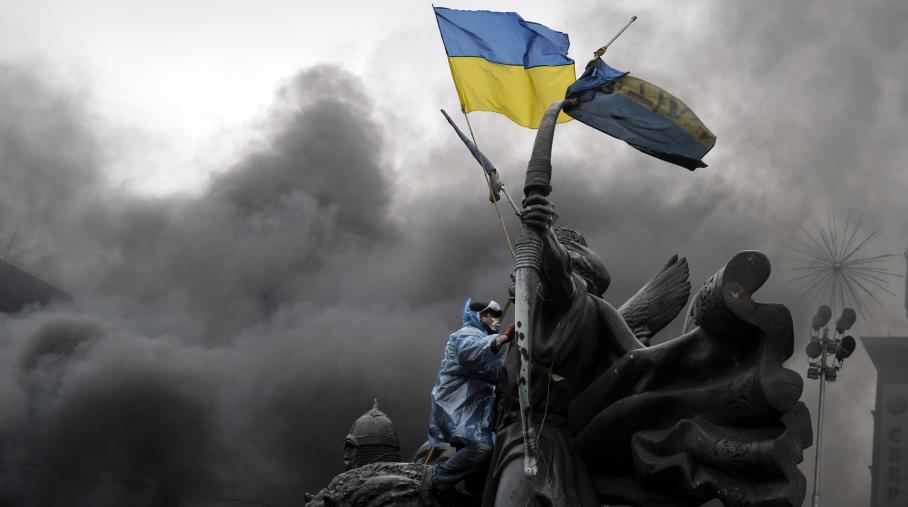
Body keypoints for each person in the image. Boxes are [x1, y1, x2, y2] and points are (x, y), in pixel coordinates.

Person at [422, 299, 514, 499]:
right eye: (491, 315)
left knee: (489, 452)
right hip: (456, 405)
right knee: (481, 449)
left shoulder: (483, 339)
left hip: (474, 411)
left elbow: (496, 372)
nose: (496, 320)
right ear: (478, 316)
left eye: (498, 316)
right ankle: (436, 479)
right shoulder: (464, 335)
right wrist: (502, 339)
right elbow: (471, 354)